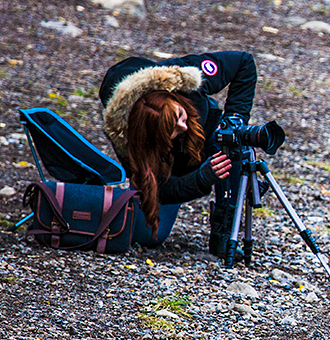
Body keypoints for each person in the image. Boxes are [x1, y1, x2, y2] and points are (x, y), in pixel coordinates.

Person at [98, 50, 257, 257]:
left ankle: (225, 228)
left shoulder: (184, 78)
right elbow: (162, 189)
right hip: (170, 164)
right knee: (147, 236)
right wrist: (202, 178)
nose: (183, 126)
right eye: (172, 129)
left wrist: (234, 120)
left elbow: (243, 62)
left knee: (233, 142)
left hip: (207, 136)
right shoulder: (131, 142)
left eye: (180, 115)